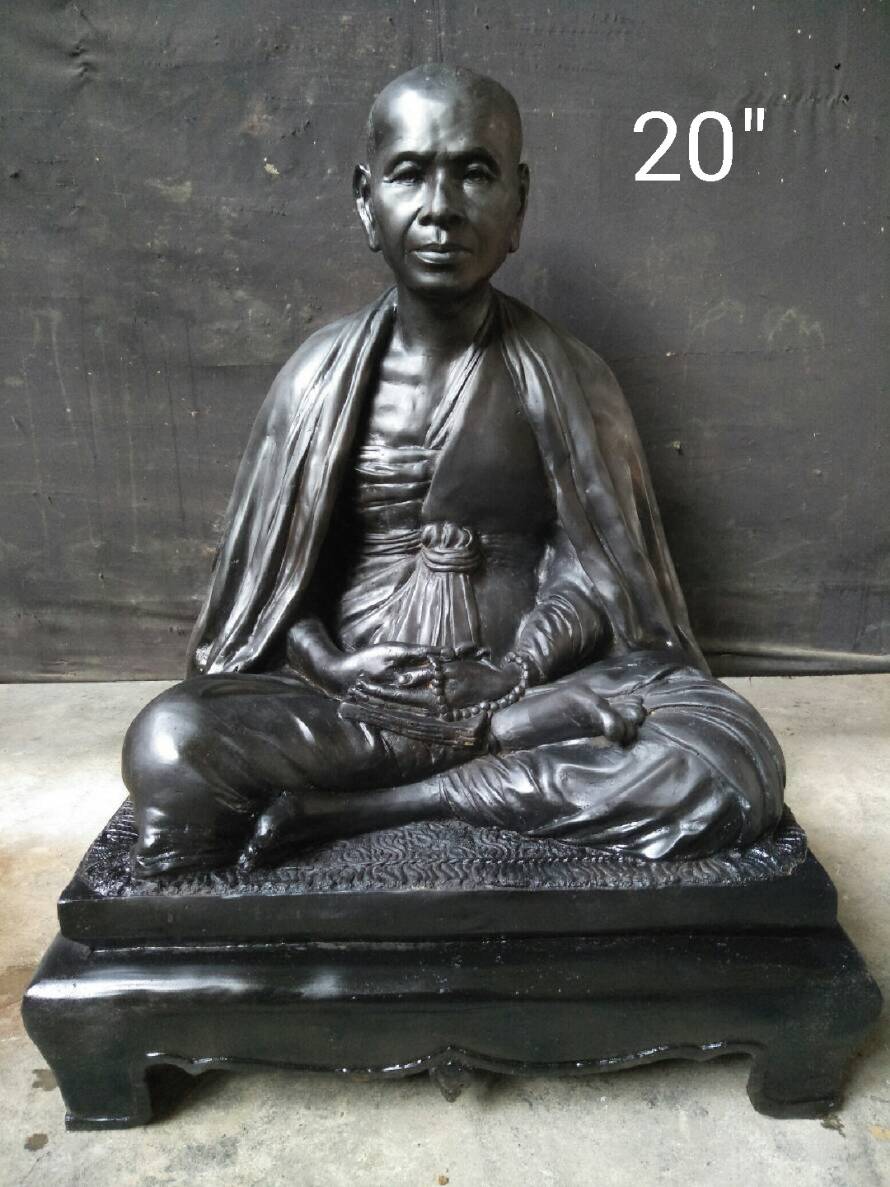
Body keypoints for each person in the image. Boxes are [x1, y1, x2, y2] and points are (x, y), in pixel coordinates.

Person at [123, 65, 784, 878]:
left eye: (474, 173)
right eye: (410, 174)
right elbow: (273, 598)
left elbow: (598, 573)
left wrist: (515, 672)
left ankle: (389, 806)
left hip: (530, 691)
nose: (441, 208)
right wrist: (332, 666)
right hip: (363, 706)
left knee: (728, 756)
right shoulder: (316, 382)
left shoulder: (572, 379)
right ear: (366, 200)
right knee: (169, 742)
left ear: (519, 203)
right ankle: (478, 762)